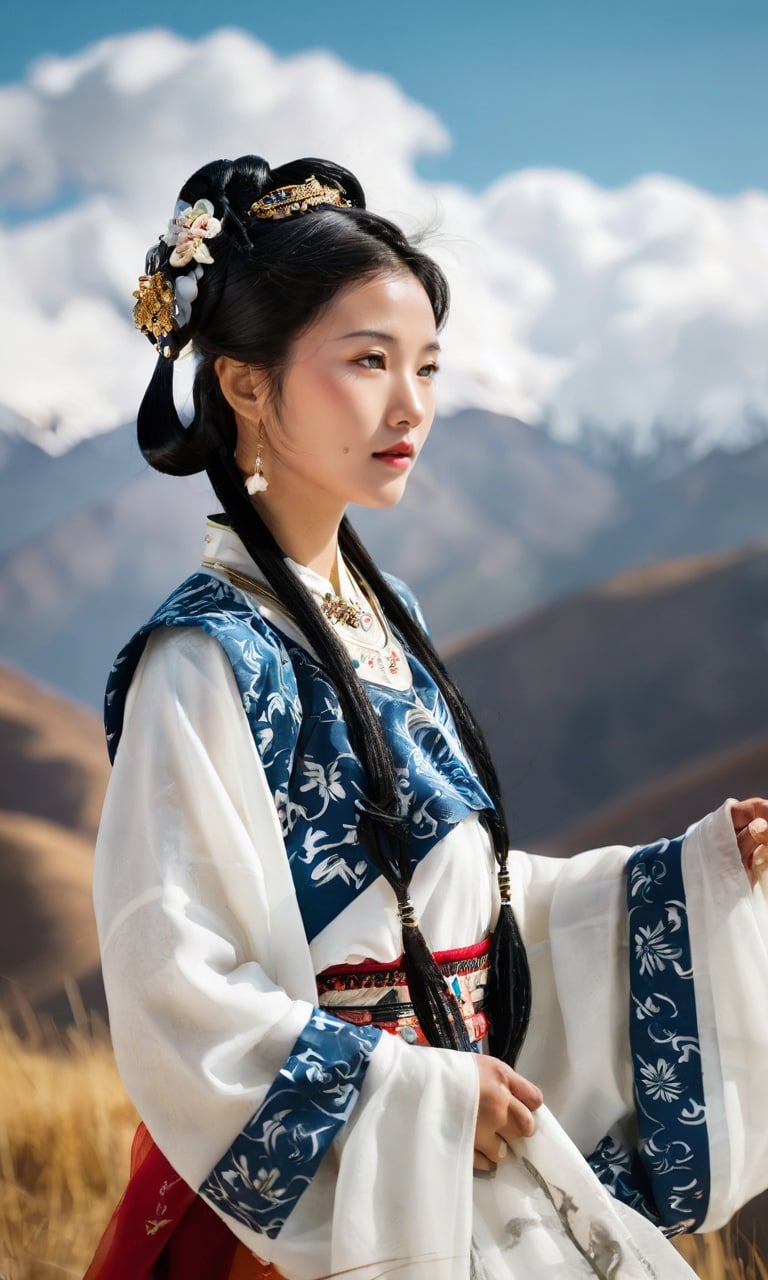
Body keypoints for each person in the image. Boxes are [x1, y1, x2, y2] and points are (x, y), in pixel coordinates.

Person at [85, 154, 768, 1280]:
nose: (412, 406)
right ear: (247, 384)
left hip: (454, 1140)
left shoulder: (379, 612)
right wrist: (412, 1091)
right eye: (367, 362)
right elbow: (174, 978)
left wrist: (677, 879)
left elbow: (452, 894)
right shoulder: (206, 659)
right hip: (321, 1203)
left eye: (427, 367)